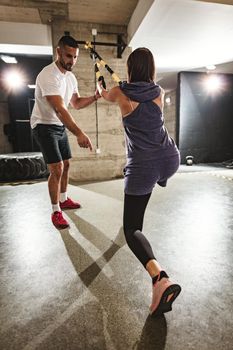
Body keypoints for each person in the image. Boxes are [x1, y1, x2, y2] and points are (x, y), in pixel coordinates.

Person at [97, 47, 181, 317]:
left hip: (144, 166)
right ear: (152, 69)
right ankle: (162, 179)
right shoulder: (159, 91)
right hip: (170, 158)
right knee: (158, 175)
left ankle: (160, 278)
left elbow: (104, 94)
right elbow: (141, 91)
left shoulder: (120, 93)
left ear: (131, 68)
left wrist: (101, 85)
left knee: (131, 228)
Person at [31, 35, 100, 229]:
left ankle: (63, 199)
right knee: (57, 168)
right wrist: (79, 132)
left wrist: (95, 97)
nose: (72, 61)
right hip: (44, 125)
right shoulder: (47, 76)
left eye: (75, 57)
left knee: (66, 164)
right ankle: (55, 211)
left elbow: (75, 103)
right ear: (58, 52)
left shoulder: (70, 77)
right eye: (69, 56)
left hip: (59, 125)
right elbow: (60, 110)